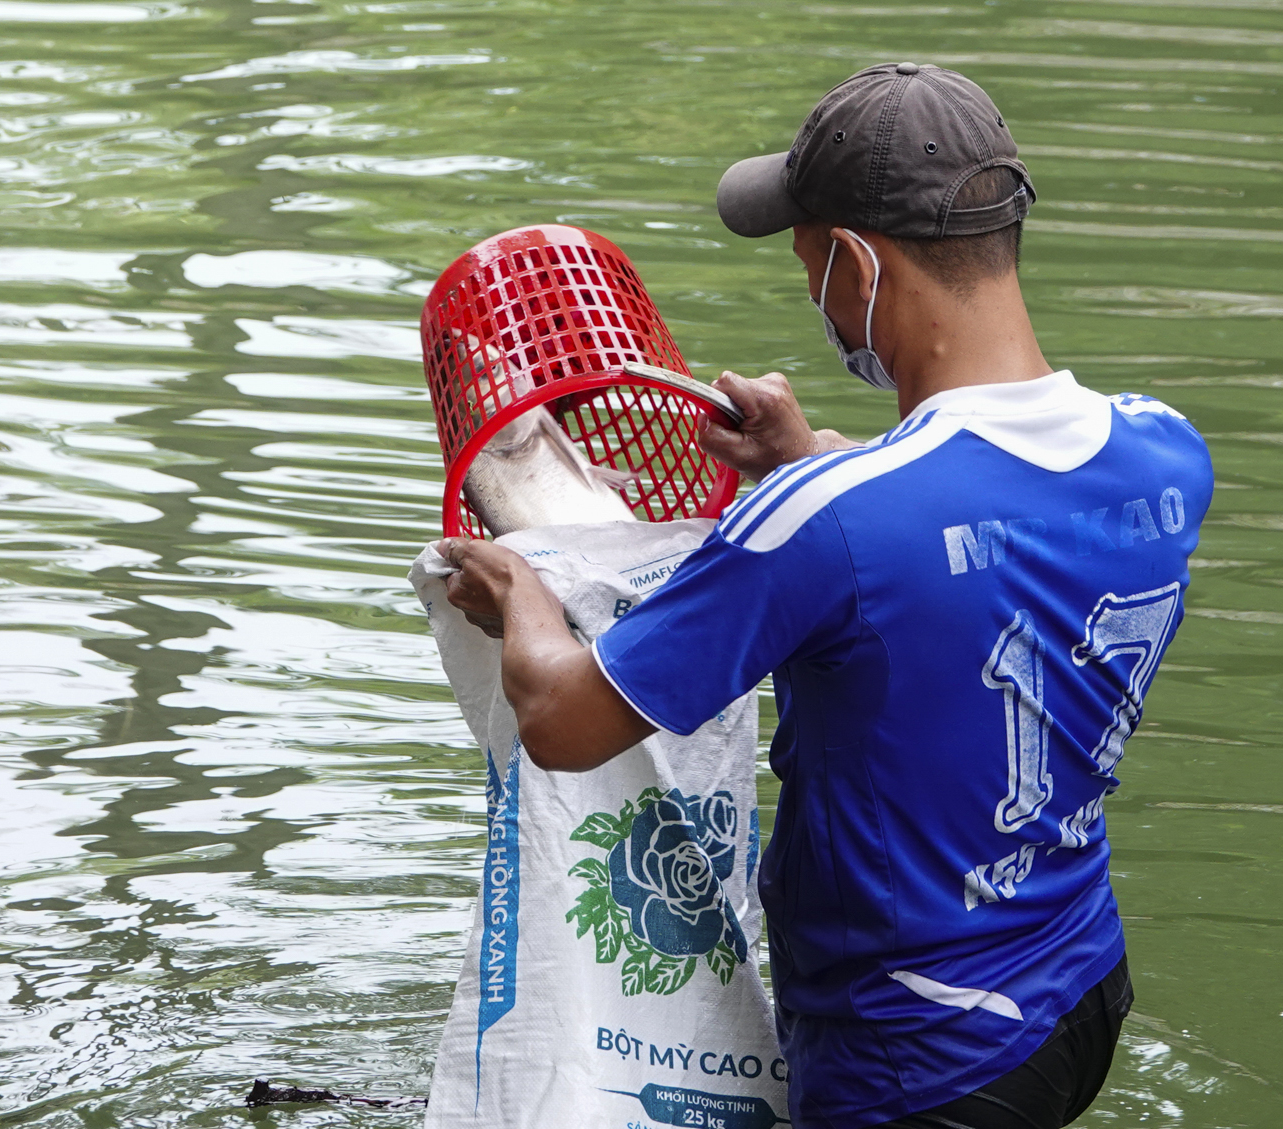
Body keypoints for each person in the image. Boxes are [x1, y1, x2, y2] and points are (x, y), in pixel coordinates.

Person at [437, 63, 1213, 1129]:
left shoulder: (827, 520)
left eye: (811, 267)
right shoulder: (1167, 453)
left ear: (857, 263)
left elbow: (565, 721)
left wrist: (521, 586)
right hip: (1080, 992)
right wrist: (810, 454)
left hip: (916, 1058)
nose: (818, 299)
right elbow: (981, 525)